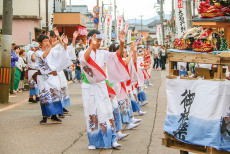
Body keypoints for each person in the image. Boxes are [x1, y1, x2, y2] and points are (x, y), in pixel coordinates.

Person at [79, 30, 130, 149]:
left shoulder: (103, 53)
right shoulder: (83, 52)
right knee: (92, 113)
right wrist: (91, 45)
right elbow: (84, 60)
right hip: (89, 87)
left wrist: (122, 44)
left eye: (100, 40)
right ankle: (93, 141)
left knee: (107, 112)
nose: (99, 43)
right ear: (90, 40)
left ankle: (112, 139)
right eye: (97, 40)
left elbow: (117, 56)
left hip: (101, 86)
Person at [35, 31, 72, 124]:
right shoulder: (38, 53)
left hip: (51, 76)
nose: (47, 43)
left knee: (55, 94)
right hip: (42, 77)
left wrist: (62, 41)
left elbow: (63, 51)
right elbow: (44, 56)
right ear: (40, 43)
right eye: (45, 41)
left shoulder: (51, 51)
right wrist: (51, 46)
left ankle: (54, 116)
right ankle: (44, 117)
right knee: (44, 96)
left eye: (48, 41)